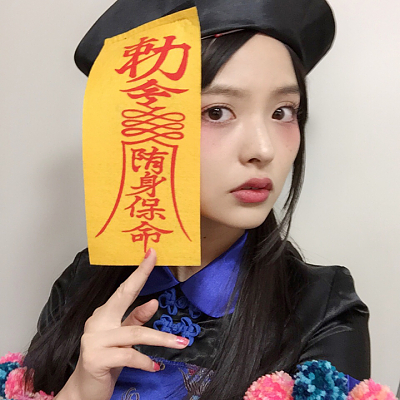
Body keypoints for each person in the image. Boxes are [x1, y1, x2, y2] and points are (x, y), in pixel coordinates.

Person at [19, 0, 370, 399]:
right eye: (217, 112)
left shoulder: (323, 308)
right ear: (145, 131)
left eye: (283, 112)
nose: (263, 149)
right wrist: (81, 391)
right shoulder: (83, 282)